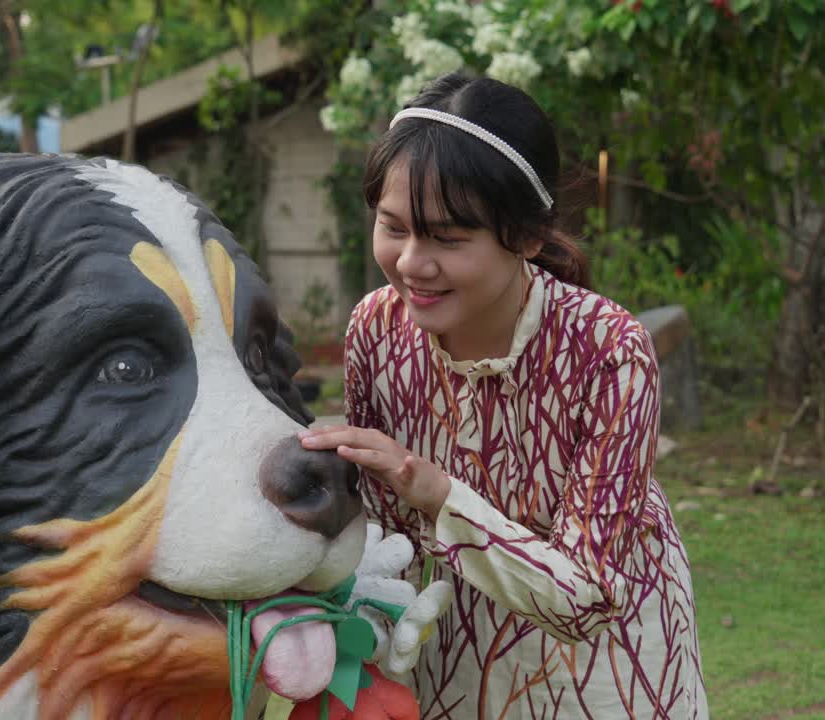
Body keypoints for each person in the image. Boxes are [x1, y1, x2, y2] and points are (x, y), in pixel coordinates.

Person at [299, 72, 708, 719]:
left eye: (447, 238)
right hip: (449, 642)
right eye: (393, 227)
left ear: (528, 237)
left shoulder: (608, 351)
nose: (410, 262)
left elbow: (590, 598)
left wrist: (436, 494)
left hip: (602, 664)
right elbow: (382, 533)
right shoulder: (376, 328)